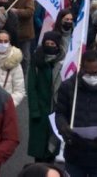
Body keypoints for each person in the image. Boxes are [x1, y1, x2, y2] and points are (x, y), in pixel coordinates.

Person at [27, 31, 64, 163]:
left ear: (58, 45)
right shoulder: (37, 61)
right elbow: (31, 87)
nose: (49, 46)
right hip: (40, 112)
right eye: (47, 43)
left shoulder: (62, 63)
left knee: (52, 148)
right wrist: (34, 110)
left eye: (52, 44)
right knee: (39, 150)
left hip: (56, 111)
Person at [1, 0, 36, 74]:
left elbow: (30, 12)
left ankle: (24, 79)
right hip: (11, 33)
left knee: (24, 58)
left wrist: (16, 11)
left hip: (24, 33)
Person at [0, 30, 26, 106]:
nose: (3, 44)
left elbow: (19, 91)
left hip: (5, 107)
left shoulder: (15, 61)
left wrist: (8, 104)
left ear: (9, 42)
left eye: (6, 41)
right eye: (0, 41)